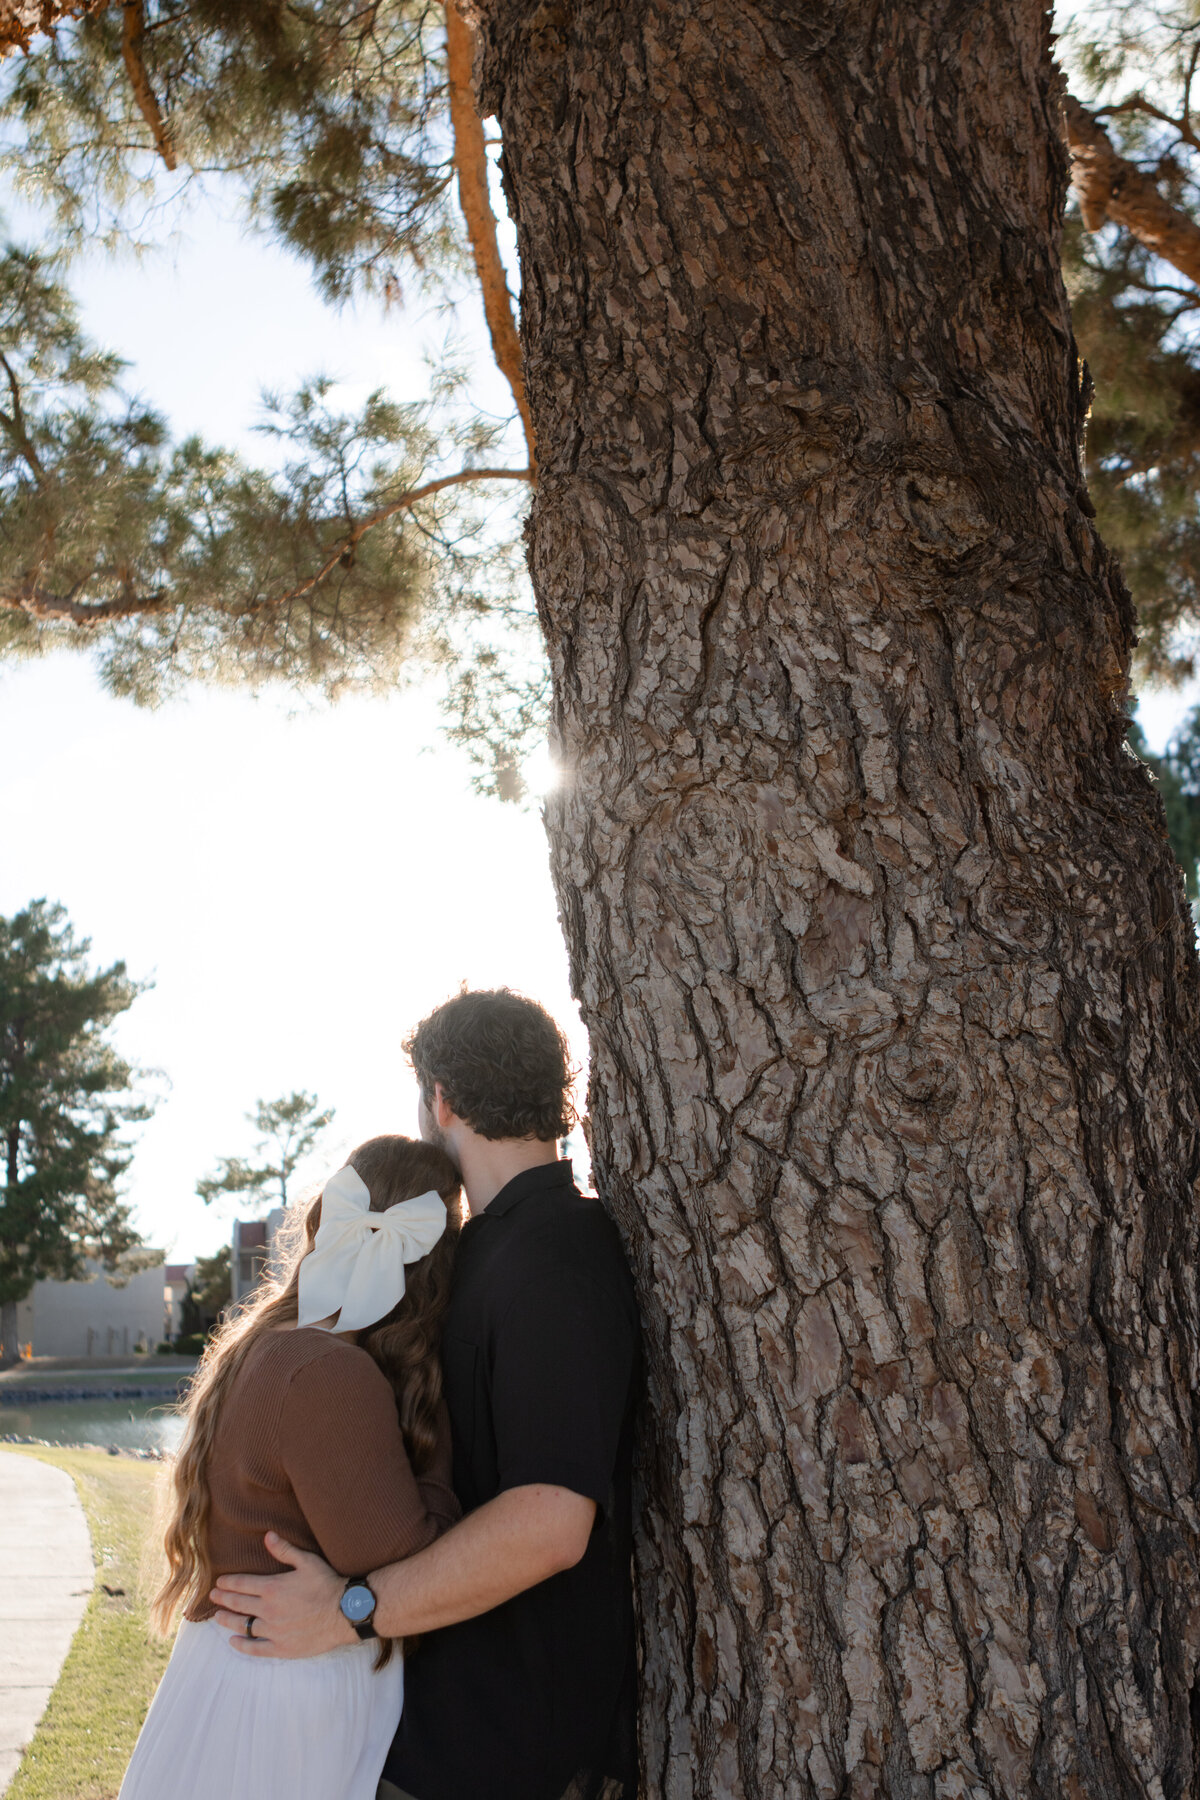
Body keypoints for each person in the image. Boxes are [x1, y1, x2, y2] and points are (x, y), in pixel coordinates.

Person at [211, 989, 641, 1800]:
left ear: (439, 1100)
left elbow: (550, 1523)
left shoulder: (557, 1260)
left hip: (502, 1751)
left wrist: (349, 1608)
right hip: (430, 1733)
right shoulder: (478, 1252)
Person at [119, 1134, 464, 1800]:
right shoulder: (331, 1374)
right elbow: (409, 1566)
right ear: (435, 1272)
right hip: (284, 1706)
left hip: (237, 1681)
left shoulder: (278, 1344)